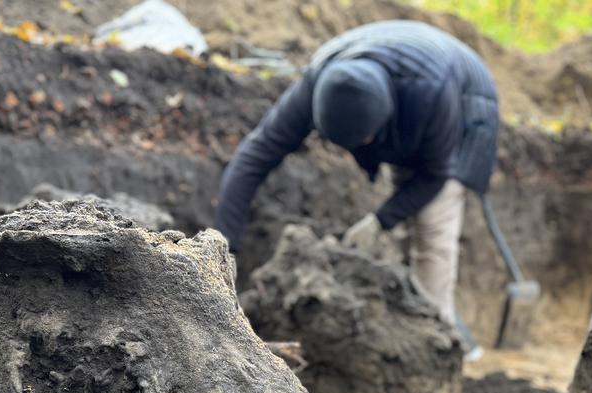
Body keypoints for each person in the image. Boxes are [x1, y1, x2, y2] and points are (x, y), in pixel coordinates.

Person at [213, 20, 500, 326]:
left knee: (432, 223)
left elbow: (434, 176)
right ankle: (402, 316)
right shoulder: (315, 86)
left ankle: (437, 331)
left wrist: (380, 221)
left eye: (365, 141)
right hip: (406, 84)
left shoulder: (431, 96)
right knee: (404, 224)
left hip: (466, 99)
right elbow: (254, 157)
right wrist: (223, 251)